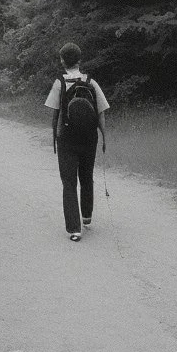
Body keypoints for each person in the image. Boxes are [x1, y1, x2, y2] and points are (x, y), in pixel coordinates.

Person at [44, 42, 109, 242]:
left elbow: (55, 114)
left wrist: (55, 137)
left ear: (62, 60)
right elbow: (101, 112)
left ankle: (74, 229)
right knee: (87, 176)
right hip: (89, 138)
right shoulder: (91, 82)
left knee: (69, 182)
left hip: (67, 139)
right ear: (80, 60)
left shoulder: (59, 83)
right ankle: (87, 216)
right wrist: (104, 137)